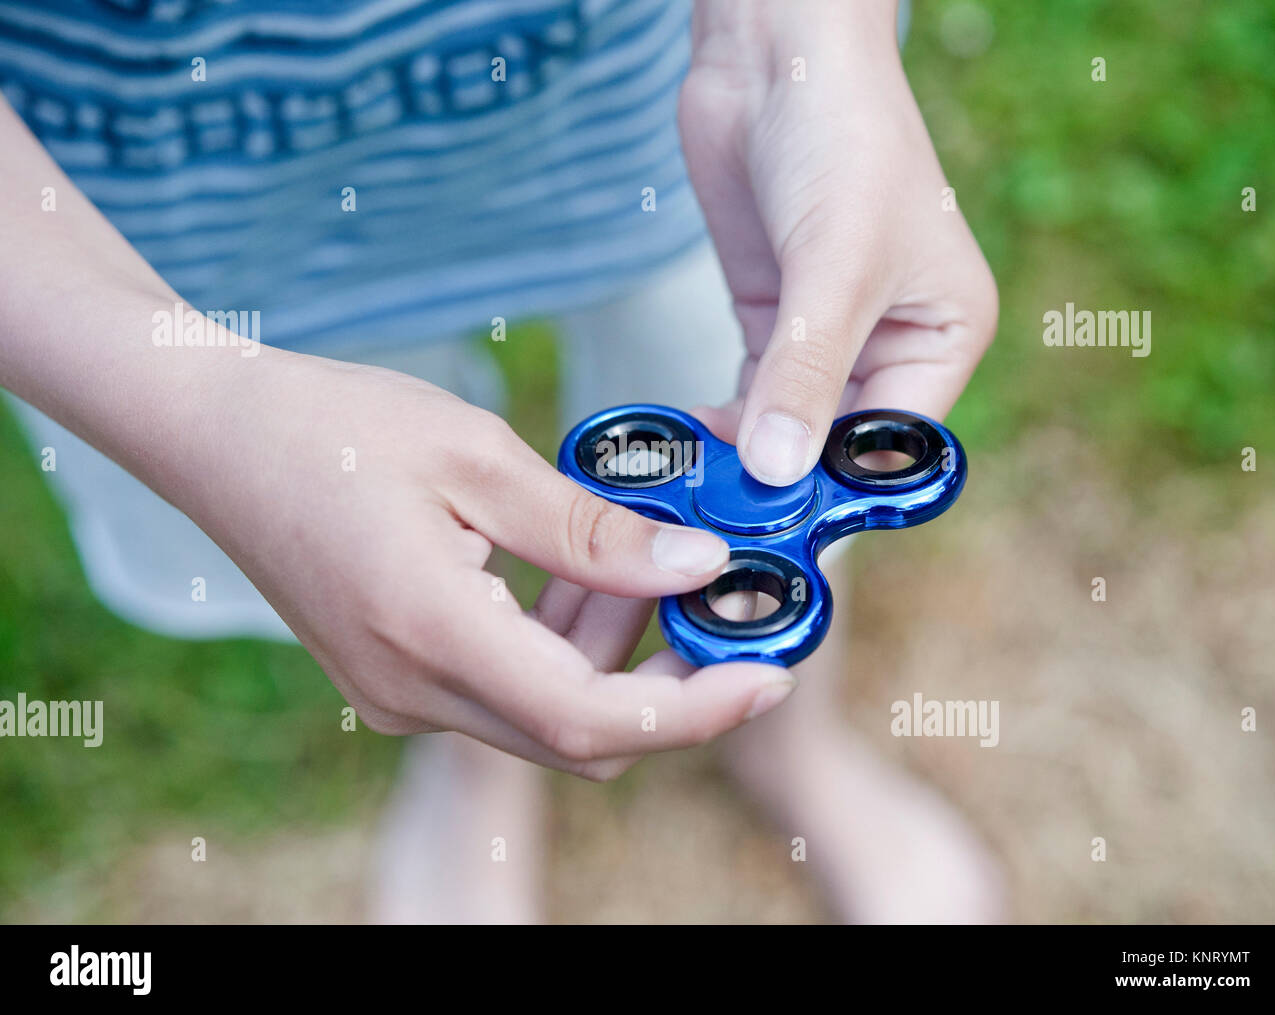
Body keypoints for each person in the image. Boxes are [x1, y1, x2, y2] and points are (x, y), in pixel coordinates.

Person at [0, 0, 1001, 921]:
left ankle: (785, 731)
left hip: (650, 105)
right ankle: (476, 742)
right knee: (354, 534)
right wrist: (197, 403)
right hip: (169, 216)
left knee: (757, 399)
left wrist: (797, 35)